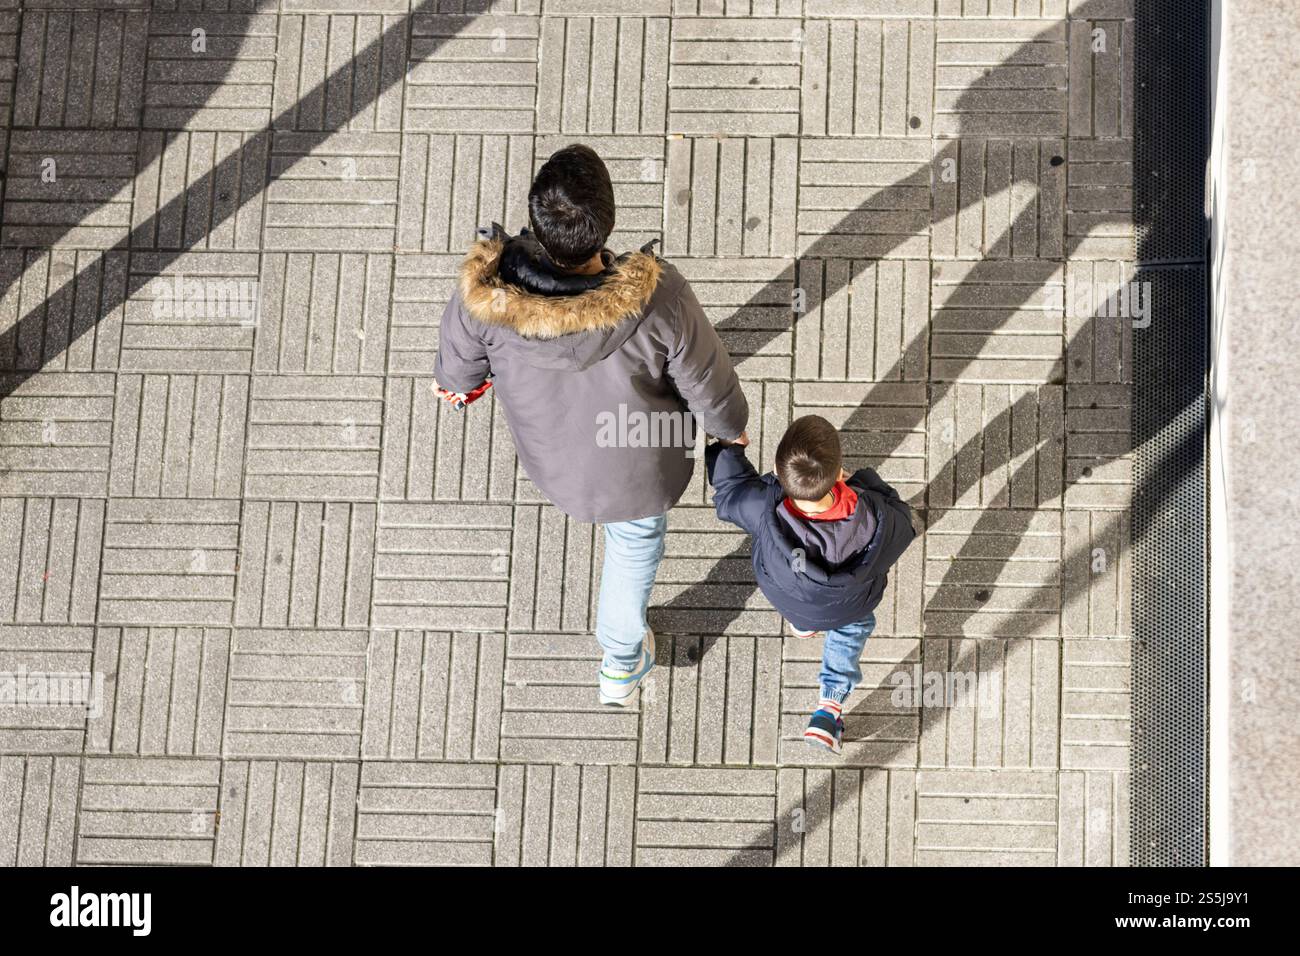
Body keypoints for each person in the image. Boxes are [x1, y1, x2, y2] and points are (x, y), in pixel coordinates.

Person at [434, 144, 749, 707]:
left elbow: (458, 369)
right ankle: (619, 660)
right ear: (606, 226)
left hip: (555, 460)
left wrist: (457, 384)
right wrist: (731, 427)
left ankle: (623, 665)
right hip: (639, 467)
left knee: (626, 540)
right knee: (632, 547)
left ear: (535, 221)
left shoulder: (484, 297)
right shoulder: (659, 299)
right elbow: (706, 379)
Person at [706, 415, 917, 754]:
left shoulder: (764, 505)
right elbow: (904, 523)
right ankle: (829, 708)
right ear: (838, 473)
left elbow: (729, 495)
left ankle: (803, 625)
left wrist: (730, 450)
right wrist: (866, 481)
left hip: (787, 594)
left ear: (777, 470)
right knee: (851, 628)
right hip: (848, 605)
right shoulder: (873, 518)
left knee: (804, 599)